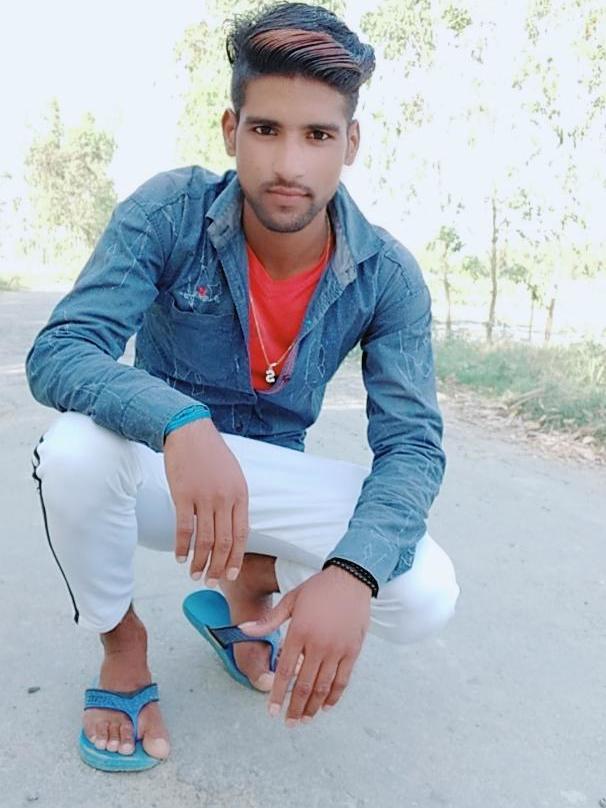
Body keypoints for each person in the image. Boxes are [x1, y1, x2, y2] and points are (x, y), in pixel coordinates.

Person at [26, 1, 460, 772]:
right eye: (266, 129)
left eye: (317, 135)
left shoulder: (387, 275)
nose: (289, 163)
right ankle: (123, 647)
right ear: (232, 131)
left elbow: (412, 448)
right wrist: (178, 422)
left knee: (423, 590)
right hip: (164, 472)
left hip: (263, 481)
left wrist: (352, 573)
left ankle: (248, 595)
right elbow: (61, 351)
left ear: (351, 143)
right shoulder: (170, 212)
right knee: (72, 454)